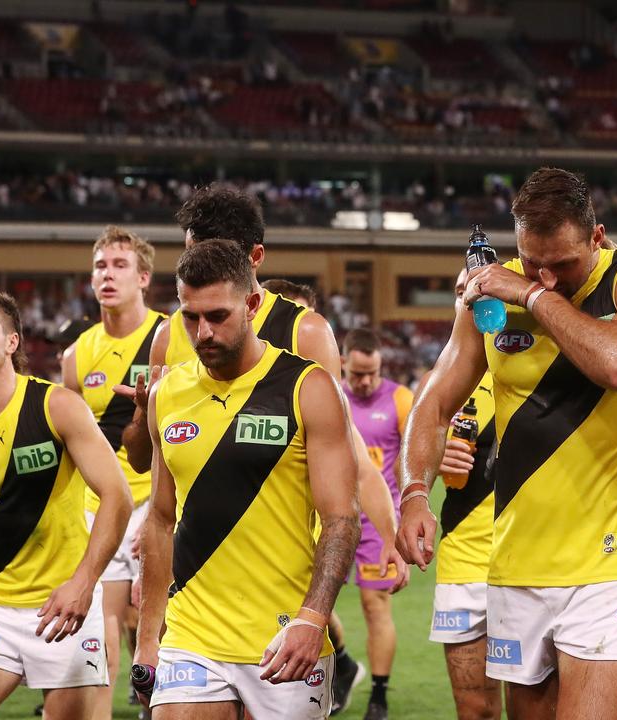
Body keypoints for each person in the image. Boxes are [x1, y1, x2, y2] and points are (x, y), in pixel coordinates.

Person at [114, 185, 403, 712]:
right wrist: (140, 414)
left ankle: (335, 647)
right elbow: (149, 463)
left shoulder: (305, 336)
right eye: (192, 252)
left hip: (283, 567)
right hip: (195, 608)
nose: (202, 330)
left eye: (218, 254)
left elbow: (347, 452)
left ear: (252, 269)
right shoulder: (168, 343)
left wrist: (386, 531)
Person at [399, 167, 617, 719]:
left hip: (607, 566)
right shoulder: (488, 298)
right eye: (532, 261)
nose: (548, 276)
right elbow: (432, 403)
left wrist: (528, 292)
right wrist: (412, 493)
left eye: (563, 264)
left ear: (597, 237)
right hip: (514, 565)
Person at [0, 287, 132, 720]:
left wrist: (83, 582)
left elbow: (118, 496)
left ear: (13, 341)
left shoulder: (58, 407)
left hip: (67, 607)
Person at [60, 226, 166, 718]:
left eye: (120, 265)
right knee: (97, 630)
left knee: (160, 627)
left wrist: (165, 511)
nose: (108, 274)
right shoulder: (76, 355)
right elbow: (72, 446)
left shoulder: (174, 337)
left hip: (161, 503)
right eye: (101, 265)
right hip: (99, 505)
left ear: (144, 278)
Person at [424, 268, 501, 720]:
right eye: (459, 293)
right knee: (474, 709)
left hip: (532, 562)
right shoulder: (442, 382)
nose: (467, 301)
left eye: (477, 291)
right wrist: (436, 461)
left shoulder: (537, 367)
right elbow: (410, 463)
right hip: (463, 562)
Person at [340, 327, 414, 720]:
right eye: (357, 373)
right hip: (327, 516)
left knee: (375, 606)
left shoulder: (401, 400)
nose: (365, 381)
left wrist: (401, 521)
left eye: (372, 373)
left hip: (376, 520)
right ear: (343, 362)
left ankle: (379, 696)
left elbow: (413, 464)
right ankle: (340, 667)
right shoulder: (328, 395)